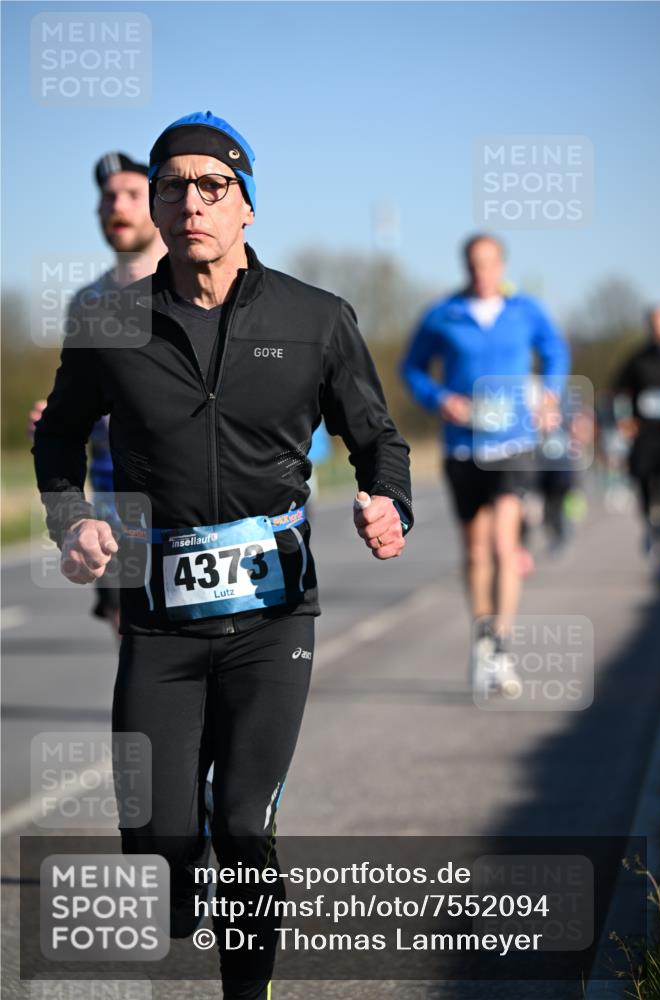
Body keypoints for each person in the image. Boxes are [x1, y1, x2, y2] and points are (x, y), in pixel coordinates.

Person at [33, 110, 412, 999]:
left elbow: (378, 438)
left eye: (213, 186)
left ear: (247, 205)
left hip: (273, 619)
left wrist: (388, 502)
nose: (191, 202)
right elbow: (57, 439)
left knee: (243, 825)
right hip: (158, 619)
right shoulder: (109, 322)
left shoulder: (315, 318)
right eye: (172, 187)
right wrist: (71, 520)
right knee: (158, 851)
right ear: (156, 208)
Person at [400, 233, 569, 695]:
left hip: (514, 442)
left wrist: (550, 392)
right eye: (474, 264)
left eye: (489, 263)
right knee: (476, 551)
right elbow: (411, 368)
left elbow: (555, 350)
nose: (482, 272)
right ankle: (482, 640)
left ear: (502, 265)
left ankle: (502, 646)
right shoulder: (444, 314)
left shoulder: (525, 310)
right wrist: (440, 399)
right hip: (464, 445)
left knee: (503, 545)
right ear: (465, 266)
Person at [29, 152, 166, 637]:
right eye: (108, 198)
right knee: (132, 642)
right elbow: (80, 400)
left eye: (131, 194)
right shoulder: (88, 303)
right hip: (115, 508)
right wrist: (56, 420)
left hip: (188, 501)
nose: (117, 206)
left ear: (159, 204)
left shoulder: (192, 291)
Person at [611, 304, 660, 564]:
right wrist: (624, 419)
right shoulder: (637, 359)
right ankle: (650, 524)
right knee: (643, 481)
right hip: (645, 435)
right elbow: (617, 392)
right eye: (655, 322)